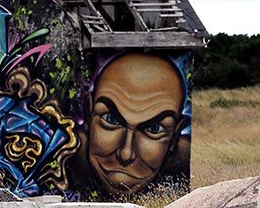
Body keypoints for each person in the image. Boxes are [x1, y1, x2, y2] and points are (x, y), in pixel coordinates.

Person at [77, 52, 189, 198]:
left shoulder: (180, 171)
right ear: (88, 113)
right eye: (111, 119)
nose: (125, 153)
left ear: (175, 135)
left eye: (153, 129)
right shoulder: (60, 159)